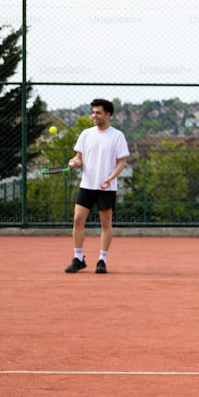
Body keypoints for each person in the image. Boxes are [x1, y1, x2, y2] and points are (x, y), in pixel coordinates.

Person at [64, 98, 129, 274]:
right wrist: (75, 161)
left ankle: (102, 260)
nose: (94, 115)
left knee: (105, 223)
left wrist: (110, 178)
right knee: (78, 219)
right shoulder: (86, 134)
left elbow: (122, 163)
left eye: (98, 112)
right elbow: (79, 157)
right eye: (93, 112)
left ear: (108, 115)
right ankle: (78, 259)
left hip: (106, 187)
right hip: (87, 185)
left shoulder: (117, 136)